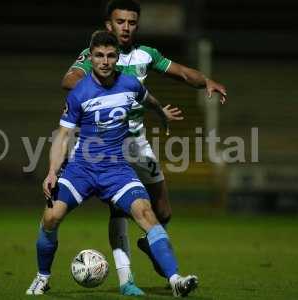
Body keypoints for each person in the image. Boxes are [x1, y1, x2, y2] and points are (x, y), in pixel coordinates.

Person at [61, 0, 227, 293]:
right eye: (120, 21)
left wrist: (207, 81)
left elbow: (181, 72)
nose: (126, 27)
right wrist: (96, 92)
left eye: (132, 22)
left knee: (163, 210)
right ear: (108, 25)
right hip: (107, 145)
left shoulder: (145, 54)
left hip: (137, 143)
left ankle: (150, 243)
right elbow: (69, 78)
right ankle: (127, 278)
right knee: (120, 209)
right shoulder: (96, 55)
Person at [26, 30, 198, 297]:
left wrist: (160, 111)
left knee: (146, 214)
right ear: (90, 58)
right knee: (51, 217)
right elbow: (62, 137)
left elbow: (147, 98)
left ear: (117, 57)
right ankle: (42, 277)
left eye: (110, 55)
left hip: (116, 170)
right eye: (99, 56)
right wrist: (51, 171)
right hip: (81, 168)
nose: (105, 61)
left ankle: (176, 279)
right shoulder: (79, 93)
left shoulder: (130, 84)